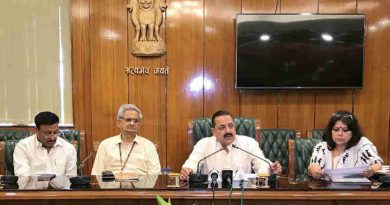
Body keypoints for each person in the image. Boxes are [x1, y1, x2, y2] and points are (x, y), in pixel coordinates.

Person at [180, 110, 281, 181]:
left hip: (243, 196)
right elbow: (192, 164)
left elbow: (262, 164)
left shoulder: (248, 143)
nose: (228, 131)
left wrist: (270, 169)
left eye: (231, 126)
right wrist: (187, 170)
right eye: (222, 127)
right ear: (213, 131)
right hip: (212, 196)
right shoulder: (204, 144)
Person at [308, 110, 383, 179]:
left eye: (345, 130)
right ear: (330, 131)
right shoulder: (322, 147)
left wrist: (372, 170)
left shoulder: (362, 145)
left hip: (355, 191)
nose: (340, 134)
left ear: (353, 132)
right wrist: (313, 170)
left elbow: (377, 164)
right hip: (326, 191)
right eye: (336, 129)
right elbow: (313, 166)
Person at [91, 104, 161, 175]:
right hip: (112, 185)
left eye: (135, 120)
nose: (132, 123)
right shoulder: (105, 145)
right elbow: (97, 174)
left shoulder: (148, 146)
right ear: (118, 123)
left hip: (141, 185)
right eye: (128, 120)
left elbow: (155, 176)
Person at [13, 112, 77, 176]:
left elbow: (71, 178)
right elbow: (23, 177)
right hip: (33, 186)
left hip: (61, 186)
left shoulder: (69, 148)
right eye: (47, 133)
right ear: (37, 130)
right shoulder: (23, 147)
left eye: (55, 132)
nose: (52, 138)